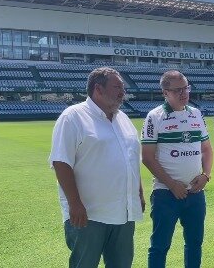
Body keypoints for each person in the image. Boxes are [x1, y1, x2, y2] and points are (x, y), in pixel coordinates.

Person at [49, 67, 145, 268]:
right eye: (117, 87)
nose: (122, 92)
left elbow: (132, 160)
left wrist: (139, 194)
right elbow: (61, 162)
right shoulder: (73, 117)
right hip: (88, 215)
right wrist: (74, 203)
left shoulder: (123, 119)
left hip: (123, 213)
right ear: (98, 89)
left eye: (123, 88)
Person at [141, 70, 213, 268]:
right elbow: (147, 157)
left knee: (194, 244)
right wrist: (172, 185)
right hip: (166, 194)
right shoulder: (154, 117)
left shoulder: (196, 114)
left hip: (196, 193)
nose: (184, 93)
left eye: (186, 88)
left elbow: (207, 149)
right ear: (165, 92)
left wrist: (206, 176)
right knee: (160, 246)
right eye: (178, 90)